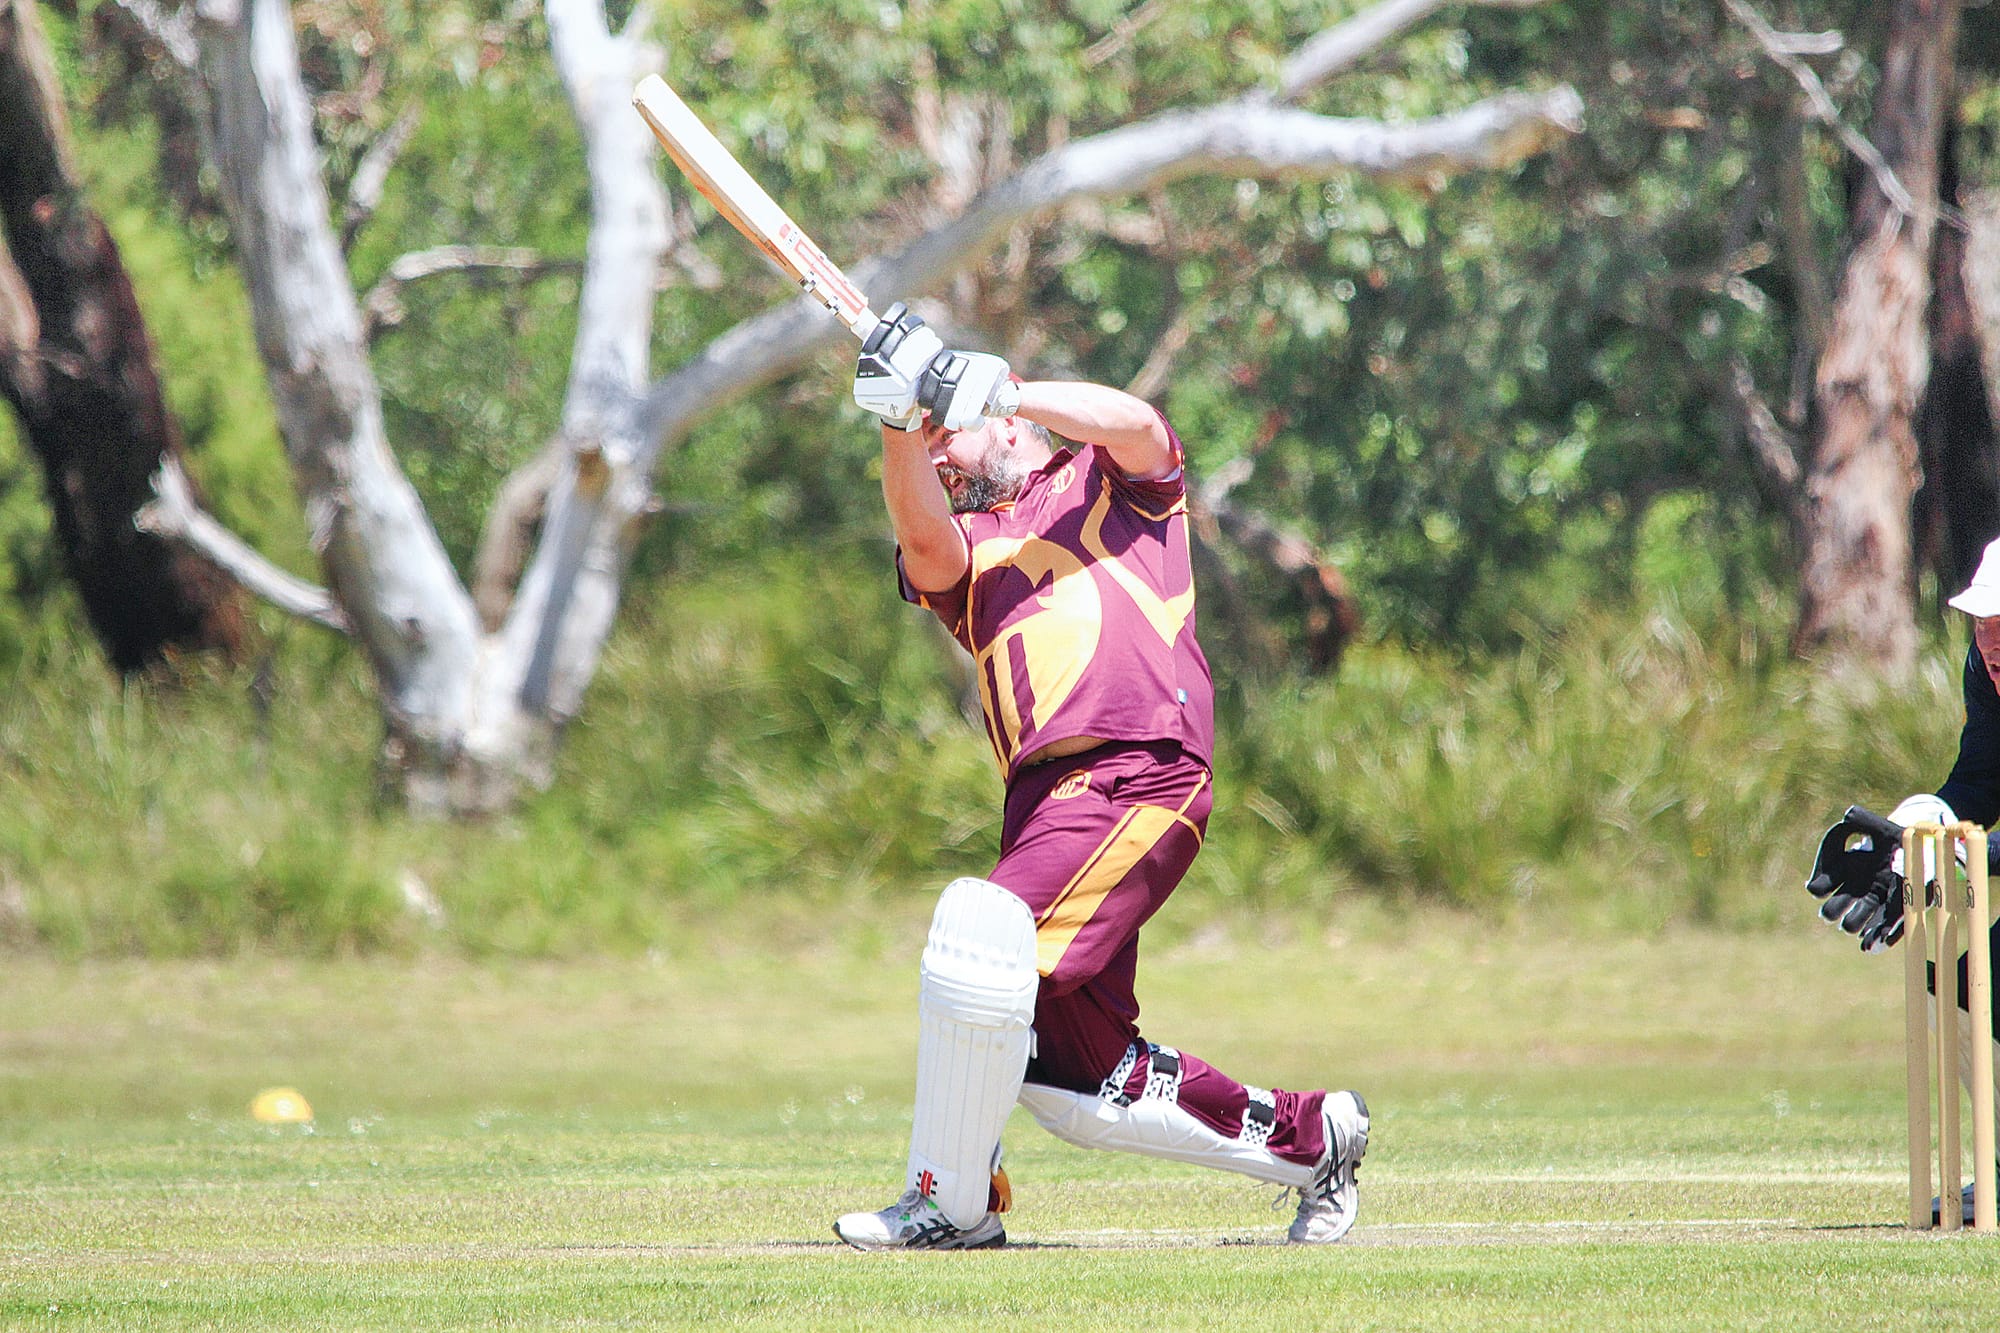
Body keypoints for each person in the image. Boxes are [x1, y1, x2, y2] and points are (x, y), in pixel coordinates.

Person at [830, 302, 1369, 1250]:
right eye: (936, 449)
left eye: (953, 437)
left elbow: (1139, 424)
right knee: (1084, 1083)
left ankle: (948, 1204)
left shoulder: (1110, 485)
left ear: (1009, 424)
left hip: (1136, 770)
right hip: (1044, 805)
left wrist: (1006, 389)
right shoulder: (972, 545)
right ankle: (1312, 1137)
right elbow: (922, 540)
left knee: (980, 939)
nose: (945, 461)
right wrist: (898, 422)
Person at [1806, 536, 2000, 1225]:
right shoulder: (1986, 670)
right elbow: (1978, 781)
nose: (1991, 642)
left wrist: (1972, 853)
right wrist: (1911, 836)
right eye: (1982, 623)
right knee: (1968, 994)